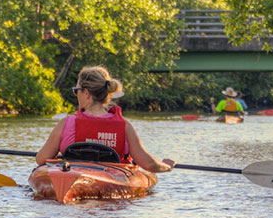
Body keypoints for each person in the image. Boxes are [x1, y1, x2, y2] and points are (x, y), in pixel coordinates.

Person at [36, 66, 174, 173]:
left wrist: (60, 156)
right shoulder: (124, 126)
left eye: (76, 90)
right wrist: (166, 166)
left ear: (86, 93)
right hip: (112, 181)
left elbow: (41, 159)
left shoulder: (66, 123)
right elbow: (149, 164)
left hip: (74, 176)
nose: (76, 94)